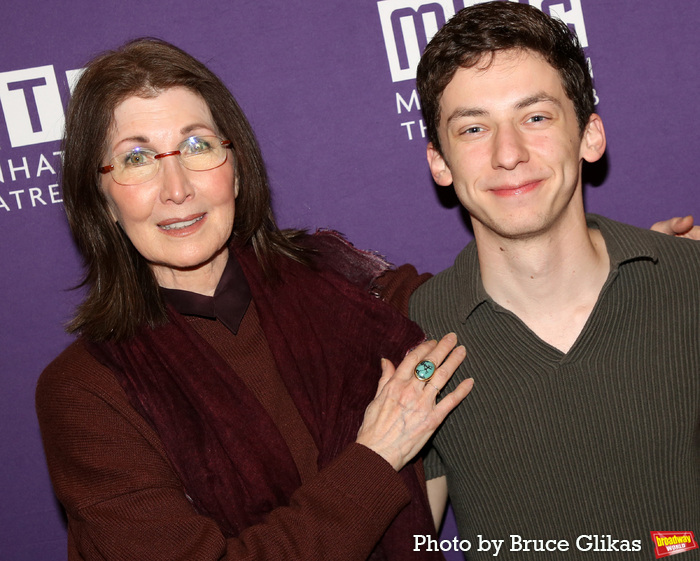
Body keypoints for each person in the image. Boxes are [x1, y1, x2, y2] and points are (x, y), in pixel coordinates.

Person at [35, 38, 475, 561]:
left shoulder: (343, 285)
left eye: (197, 146)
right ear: (101, 197)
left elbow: (481, 302)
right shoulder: (86, 392)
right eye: (137, 158)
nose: (177, 188)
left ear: (236, 167)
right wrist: (376, 457)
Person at [410, 2, 699, 559]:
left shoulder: (690, 285)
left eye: (535, 117)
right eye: (473, 128)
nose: (508, 154)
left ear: (590, 135)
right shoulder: (416, 340)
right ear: (440, 163)